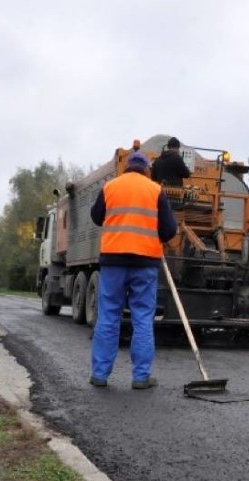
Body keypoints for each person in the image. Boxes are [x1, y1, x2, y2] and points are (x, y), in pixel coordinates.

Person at [89, 151, 178, 390]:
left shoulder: (110, 187)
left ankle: (99, 374)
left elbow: (96, 217)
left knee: (108, 316)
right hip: (145, 264)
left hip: (113, 262)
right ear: (147, 169)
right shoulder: (155, 190)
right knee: (142, 319)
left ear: (127, 167)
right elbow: (170, 230)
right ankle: (140, 377)